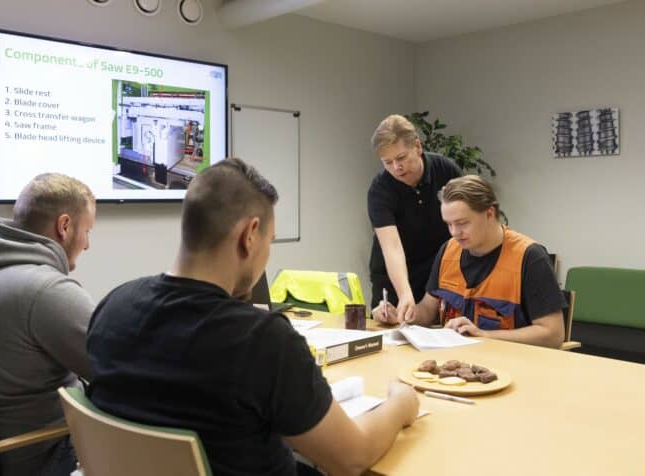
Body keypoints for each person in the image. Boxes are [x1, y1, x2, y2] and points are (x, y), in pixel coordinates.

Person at [87, 158, 419, 476]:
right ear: (250, 235)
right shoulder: (261, 339)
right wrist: (401, 406)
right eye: (269, 241)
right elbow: (352, 459)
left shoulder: (112, 307)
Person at [0, 173, 97, 475]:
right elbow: (118, 372)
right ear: (64, 227)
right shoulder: (45, 290)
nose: (87, 245)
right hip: (39, 456)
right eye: (88, 231)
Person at [373, 175, 566, 349]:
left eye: (462, 223)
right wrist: (403, 315)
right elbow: (427, 310)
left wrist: (484, 335)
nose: (454, 233)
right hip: (453, 365)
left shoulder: (530, 257)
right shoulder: (448, 250)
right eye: (449, 224)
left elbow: (553, 334)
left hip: (510, 366)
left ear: (489, 213)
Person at [368, 114, 463, 323]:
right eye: (388, 162)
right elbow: (391, 247)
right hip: (394, 278)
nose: (396, 168)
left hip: (437, 274)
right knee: (393, 328)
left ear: (417, 147)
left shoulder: (446, 170)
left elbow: (464, 223)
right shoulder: (380, 190)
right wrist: (404, 294)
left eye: (401, 158)